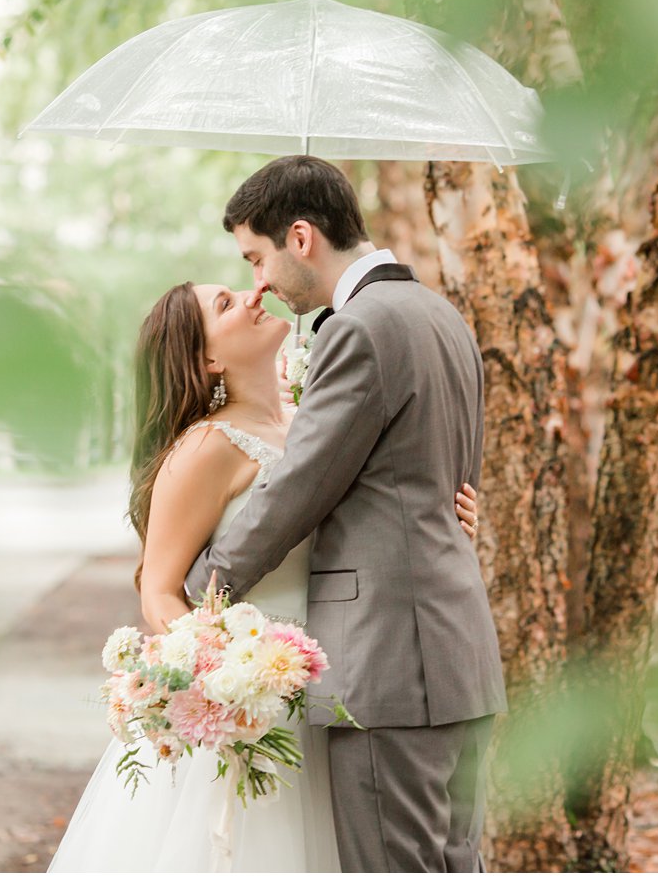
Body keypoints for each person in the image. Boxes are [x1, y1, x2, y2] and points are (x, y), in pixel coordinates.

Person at [47, 274, 480, 872]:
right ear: (207, 359)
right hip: (258, 705)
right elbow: (160, 590)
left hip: (346, 684)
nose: (254, 294)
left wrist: (449, 517)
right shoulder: (205, 449)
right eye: (225, 304)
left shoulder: (318, 418)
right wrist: (229, 672)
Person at [185, 155, 507, 873]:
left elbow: (299, 485)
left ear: (301, 237)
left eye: (256, 257)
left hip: (390, 665)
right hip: (459, 657)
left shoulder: (359, 329)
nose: (258, 283)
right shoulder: (442, 315)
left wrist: (206, 588)